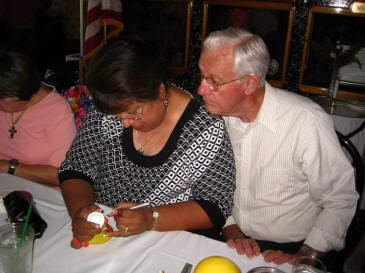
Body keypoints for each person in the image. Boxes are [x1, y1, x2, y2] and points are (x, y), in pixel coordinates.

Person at [197, 27, 358, 265]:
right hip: (229, 235)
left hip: (294, 246)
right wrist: (230, 227)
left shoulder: (304, 121)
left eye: (214, 82)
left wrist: (306, 254)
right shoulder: (212, 119)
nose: (201, 89)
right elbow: (207, 183)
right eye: (201, 76)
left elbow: (340, 199)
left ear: (250, 84)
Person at [58, 39, 236, 249]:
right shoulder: (112, 106)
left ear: (160, 91)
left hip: (166, 243)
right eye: (117, 117)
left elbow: (215, 206)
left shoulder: (205, 130)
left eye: (134, 113)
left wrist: (152, 218)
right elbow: (76, 166)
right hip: (105, 239)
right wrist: (81, 212)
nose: (124, 123)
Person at [0, 47, 77, 186]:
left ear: (17, 97)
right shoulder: (6, 92)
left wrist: (8, 167)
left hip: (41, 193)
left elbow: (62, 175)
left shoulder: (57, 111)